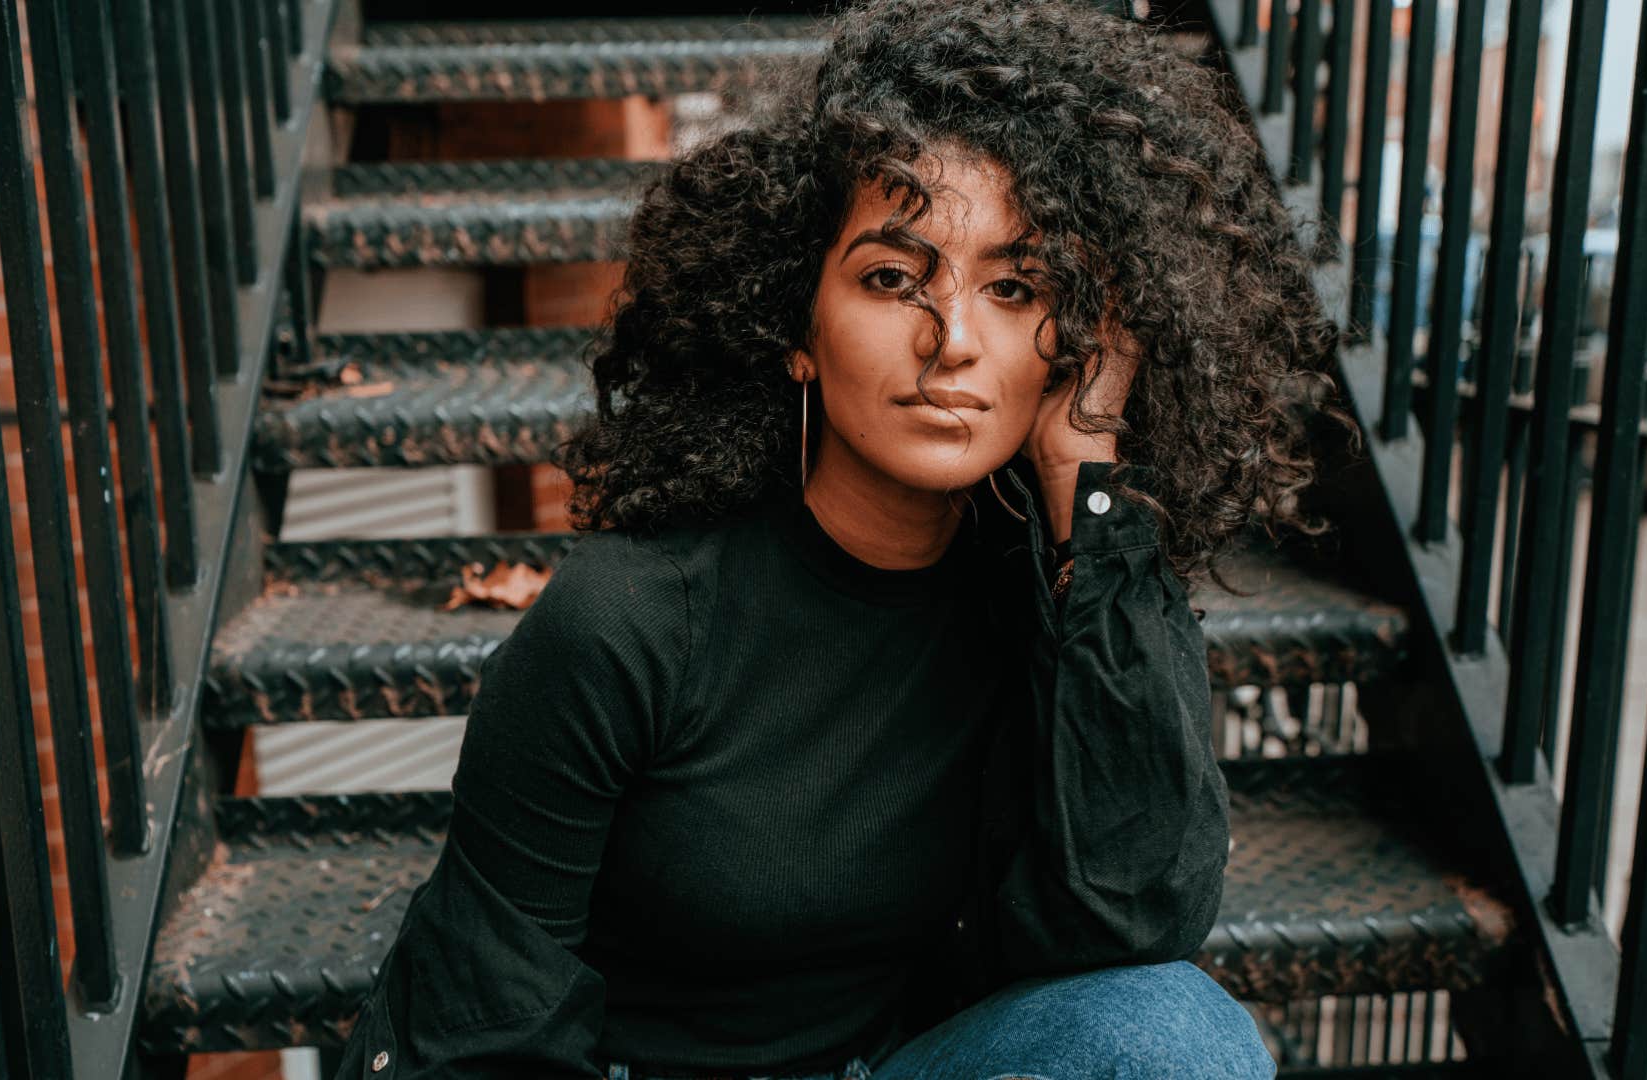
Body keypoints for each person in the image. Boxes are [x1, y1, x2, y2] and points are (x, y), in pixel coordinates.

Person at [337, 1, 1339, 1076]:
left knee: (1170, 1031)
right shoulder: (627, 621)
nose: (952, 342)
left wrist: (1086, 475)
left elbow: (1135, 915)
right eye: (892, 278)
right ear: (797, 330)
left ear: (1078, 341)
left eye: (1015, 290)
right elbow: (485, 1028)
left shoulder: (1057, 589)